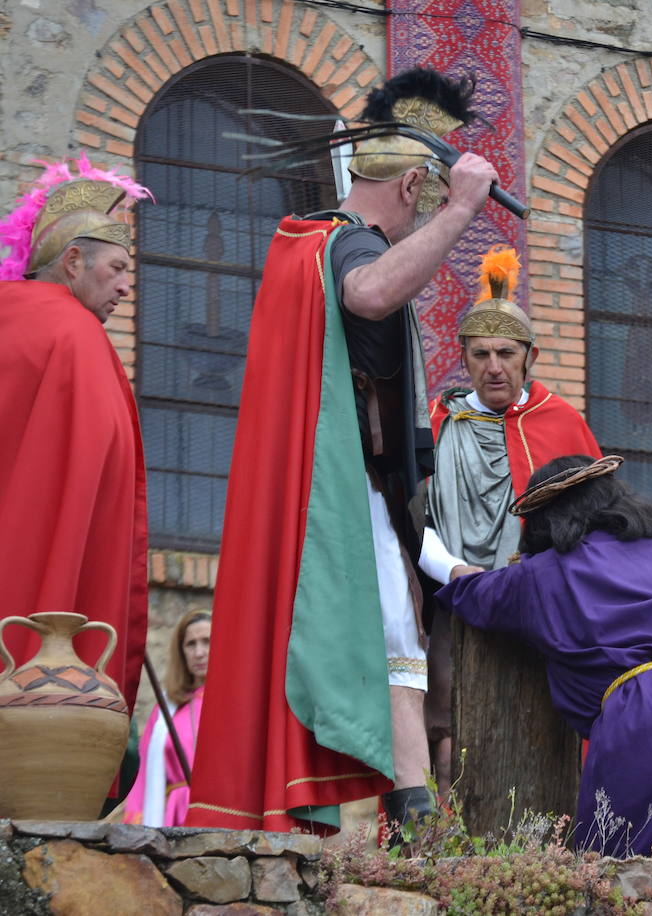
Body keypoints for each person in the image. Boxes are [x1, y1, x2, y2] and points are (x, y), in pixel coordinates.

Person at [186, 68, 501, 834]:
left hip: (353, 479)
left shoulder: (312, 244)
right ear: (414, 185)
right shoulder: (346, 244)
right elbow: (369, 294)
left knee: (398, 628)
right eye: (427, 198)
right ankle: (417, 814)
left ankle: (413, 806)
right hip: (339, 483)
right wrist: (462, 210)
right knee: (395, 630)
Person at [431, 455, 652, 862]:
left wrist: (456, 571)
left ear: (543, 519)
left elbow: (473, 595)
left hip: (650, 717)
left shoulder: (544, 573)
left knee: (635, 875)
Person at [419, 245, 600, 792]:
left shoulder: (561, 424)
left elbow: (592, 523)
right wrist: (451, 570)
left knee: (540, 732)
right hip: (451, 599)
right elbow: (411, 518)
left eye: (505, 352)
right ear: (464, 358)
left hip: (537, 605)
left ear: (530, 356)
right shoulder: (437, 423)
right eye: (480, 354)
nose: (493, 366)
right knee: (445, 735)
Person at [0, 155, 151, 714]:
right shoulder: (76, 337)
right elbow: (97, 478)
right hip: (35, 640)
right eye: (116, 268)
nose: (127, 285)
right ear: (71, 261)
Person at [124, 610, 211, 827]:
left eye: (207, 641)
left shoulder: (236, 702)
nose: (199, 652)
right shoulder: (166, 710)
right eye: (191, 644)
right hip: (174, 815)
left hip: (220, 811)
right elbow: (143, 778)